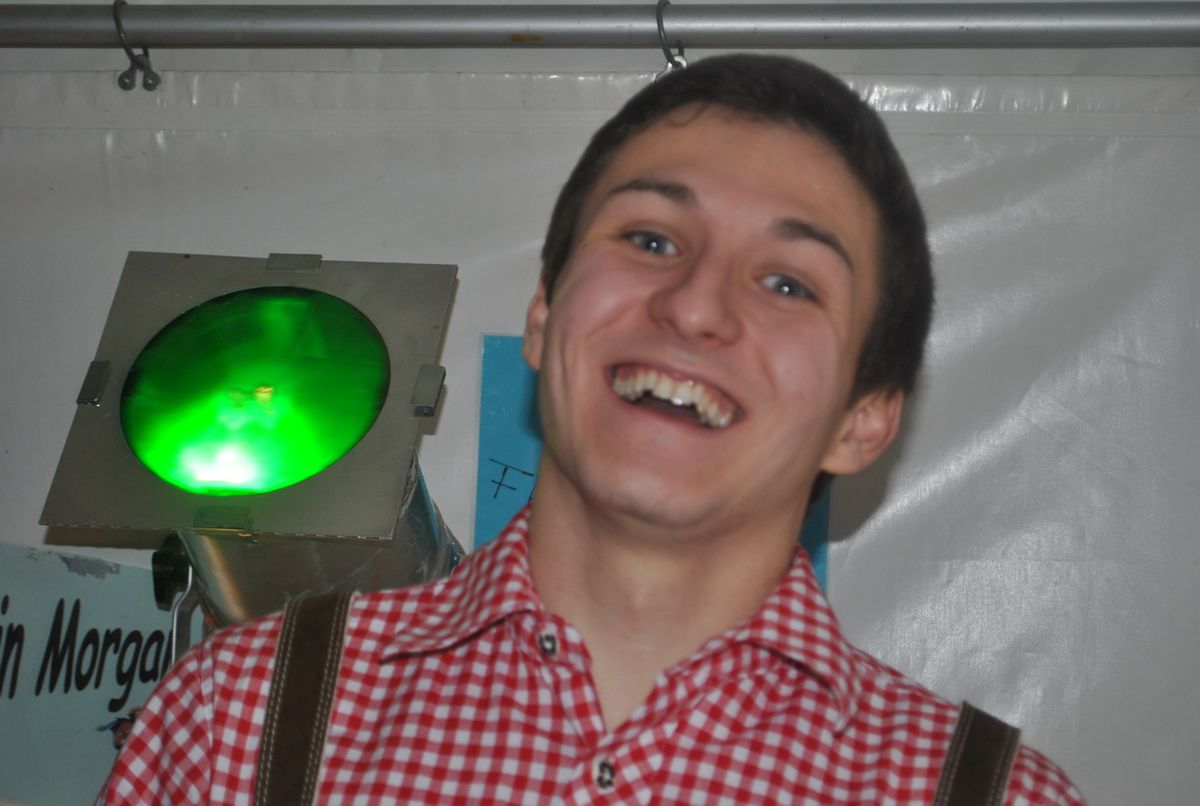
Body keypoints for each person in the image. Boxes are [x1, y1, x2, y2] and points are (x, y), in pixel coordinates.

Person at [100, 54, 1084, 804]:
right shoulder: (236, 723)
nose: (695, 305)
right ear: (544, 314)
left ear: (863, 421)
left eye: (789, 283)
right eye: (650, 238)